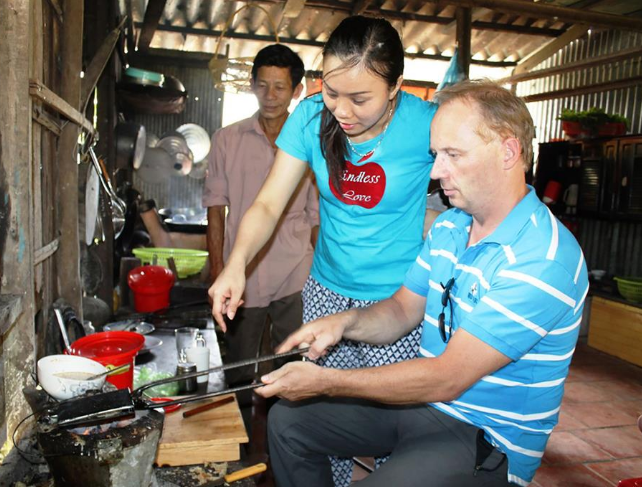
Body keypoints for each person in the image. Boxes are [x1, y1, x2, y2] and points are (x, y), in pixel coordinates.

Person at [257, 80, 589, 487]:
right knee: (289, 421)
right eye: (435, 155)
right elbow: (400, 310)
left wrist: (327, 380)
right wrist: (342, 324)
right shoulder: (451, 226)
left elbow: (448, 376)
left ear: (508, 151)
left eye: (452, 154)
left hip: (485, 438)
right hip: (429, 408)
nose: (435, 171)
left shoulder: (544, 255)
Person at [208, 16, 437, 482]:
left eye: (360, 99)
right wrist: (235, 265)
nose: (342, 110)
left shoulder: (426, 125)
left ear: (395, 87)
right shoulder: (311, 117)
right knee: (322, 420)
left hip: (399, 303)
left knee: (391, 429)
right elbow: (269, 203)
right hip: (326, 295)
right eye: (332, 93)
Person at [204, 44, 319, 384]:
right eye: (262, 84)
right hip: (244, 278)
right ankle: (241, 432)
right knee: (237, 370)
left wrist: (323, 279)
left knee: (294, 366)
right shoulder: (226, 140)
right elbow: (215, 209)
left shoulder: (311, 144)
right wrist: (217, 270)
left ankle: (286, 434)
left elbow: (315, 217)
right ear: (252, 84)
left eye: (280, 86)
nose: (270, 95)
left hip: (296, 274)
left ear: (297, 91)